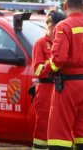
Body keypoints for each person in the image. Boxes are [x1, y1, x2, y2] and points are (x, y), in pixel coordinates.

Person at [42, 0, 83, 150]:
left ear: (65, 6)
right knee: (81, 130)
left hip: (68, 85)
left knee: (59, 131)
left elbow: (58, 59)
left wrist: (46, 69)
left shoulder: (64, 26)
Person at [31, 10, 65, 149]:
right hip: (45, 89)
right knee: (43, 126)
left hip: (62, 88)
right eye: (51, 25)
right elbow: (38, 69)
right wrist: (53, 65)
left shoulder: (64, 41)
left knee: (62, 126)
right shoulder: (40, 43)